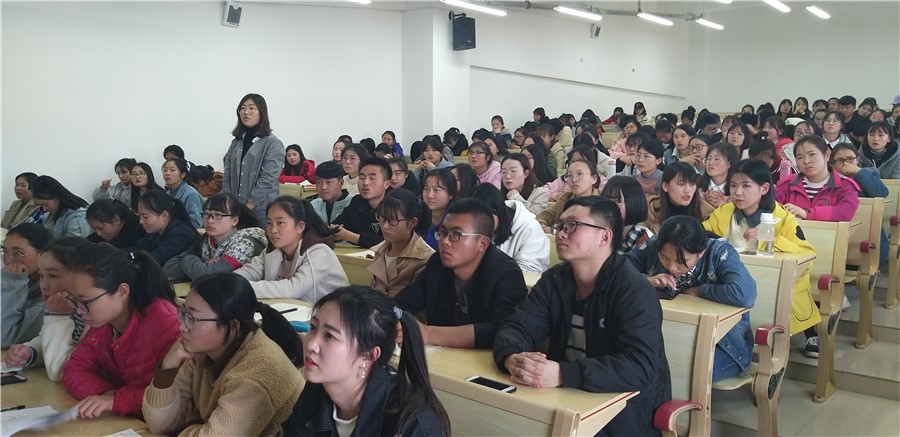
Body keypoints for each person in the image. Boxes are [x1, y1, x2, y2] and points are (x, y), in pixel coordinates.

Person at [493, 196, 670, 436]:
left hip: (624, 414)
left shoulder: (634, 290)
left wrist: (563, 373)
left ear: (604, 237)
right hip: (565, 400)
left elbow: (639, 367)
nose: (561, 233)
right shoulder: (555, 280)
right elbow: (518, 328)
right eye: (560, 226)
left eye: (572, 225)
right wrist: (511, 357)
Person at [142, 273, 303, 435]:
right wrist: (167, 369)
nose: (182, 327)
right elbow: (158, 425)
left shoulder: (256, 373)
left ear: (232, 327)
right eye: (183, 314)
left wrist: (192, 423)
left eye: (192, 318)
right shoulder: (202, 352)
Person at [282, 286, 451, 436]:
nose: (310, 344)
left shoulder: (411, 424)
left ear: (368, 357)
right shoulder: (317, 391)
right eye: (313, 327)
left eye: (329, 336)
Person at [628, 216, 756, 381]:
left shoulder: (719, 252)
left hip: (727, 345)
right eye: (664, 257)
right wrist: (646, 280)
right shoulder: (654, 245)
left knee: (676, 375)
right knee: (646, 369)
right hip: (671, 338)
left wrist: (699, 290)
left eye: (682, 261)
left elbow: (745, 294)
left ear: (701, 252)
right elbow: (616, 271)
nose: (671, 267)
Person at [703, 159, 820, 337]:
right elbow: (703, 236)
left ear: (764, 188)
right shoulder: (723, 212)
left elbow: (807, 254)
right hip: (732, 284)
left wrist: (769, 240)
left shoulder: (783, 217)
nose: (738, 192)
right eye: (733, 185)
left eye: (746, 186)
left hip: (772, 287)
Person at [62, 244, 180, 418]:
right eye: (73, 300)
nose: (78, 310)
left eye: (84, 301)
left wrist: (117, 400)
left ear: (122, 291)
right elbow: (75, 368)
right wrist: (107, 395)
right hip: (130, 420)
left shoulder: (167, 325)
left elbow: (177, 394)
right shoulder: (103, 322)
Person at [394, 199, 528, 349]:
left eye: (455, 234)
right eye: (443, 233)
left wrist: (429, 334)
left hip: (486, 359)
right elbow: (405, 302)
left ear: (482, 243)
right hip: (442, 354)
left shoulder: (507, 274)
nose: (445, 241)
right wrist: (393, 318)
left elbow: (503, 330)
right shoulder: (437, 263)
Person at [5, 237, 92, 382]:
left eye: (52, 275)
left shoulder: (95, 316)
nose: (43, 285)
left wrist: (57, 317)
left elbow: (60, 370)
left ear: (82, 276)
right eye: (41, 275)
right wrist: (31, 352)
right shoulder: (70, 305)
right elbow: (53, 341)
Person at [235, 196, 348, 302]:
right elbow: (249, 271)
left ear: (300, 227)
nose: (273, 230)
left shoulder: (320, 252)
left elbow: (293, 289)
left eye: (280, 223)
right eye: (269, 223)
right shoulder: (272, 250)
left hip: (332, 313)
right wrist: (229, 282)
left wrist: (240, 288)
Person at [164, 193, 267, 282]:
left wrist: (189, 261)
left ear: (234, 220)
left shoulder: (245, 244)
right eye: (206, 214)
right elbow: (169, 268)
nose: (210, 220)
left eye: (218, 215)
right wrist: (199, 264)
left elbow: (205, 276)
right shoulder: (208, 239)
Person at [223, 93, 285, 224]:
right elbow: (227, 174)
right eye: (242, 108)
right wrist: (229, 202)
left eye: (252, 108)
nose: (246, 112)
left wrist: (249, 206)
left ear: (262, 112)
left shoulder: (273, 143)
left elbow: (268, 179)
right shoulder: (236, 142)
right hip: (236, 208)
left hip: (261, 209)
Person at [776, 135, 861, 221]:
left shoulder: (846, 185)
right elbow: (772, 210)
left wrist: (806, 213)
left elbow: (845, 213)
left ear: (827, 154)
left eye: (812, 154)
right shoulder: (787, 184)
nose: (806, 161)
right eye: (800, 157)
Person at [367, 189, 434, 298]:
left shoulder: (425, 257)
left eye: (393, 220)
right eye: (382, 217)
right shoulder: (380, 250)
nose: (385, 226)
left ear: (412, 222)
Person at [472, 184, 550, 272]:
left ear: (497, 212)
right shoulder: (479, 229)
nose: (479, 225)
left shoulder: (530, 228)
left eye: (483, 219)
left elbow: (529, 271)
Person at [1, 223, 52, 348]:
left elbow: (3, 338)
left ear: (43, 254)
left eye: (17, 253)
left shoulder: (49, 297)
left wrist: (13, 285)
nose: (8, 260)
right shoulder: (13, 277)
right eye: (5, 252)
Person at [332, 157, 392, 248]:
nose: (365, 183)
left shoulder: (396, 206)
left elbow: (392, 242)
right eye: (362, 177)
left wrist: (350, 236)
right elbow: (338, 225)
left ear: (386, 184)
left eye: (372, 178)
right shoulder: (357, 202)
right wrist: (333, 230)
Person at [129, 190, 199, 266]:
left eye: (145, 217)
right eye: (139, 216)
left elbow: (154, 261)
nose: (141, 221)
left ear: (164, 215)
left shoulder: (181, 234)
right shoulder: (156, 232)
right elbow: (136, 248)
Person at [642, 162, 715, 234]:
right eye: (681, 184)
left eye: (692, 184)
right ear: (665, 186)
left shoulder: (708, 213)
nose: (687, 190)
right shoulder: (650, 212)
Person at [537, 160, 601, 233]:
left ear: (594, 178)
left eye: (579, 174)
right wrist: (541, 224)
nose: (574, 180)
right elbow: (547, 215)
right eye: (570, 175)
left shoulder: (604, 200)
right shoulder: (566, 197)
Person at [601, 176, 652, 255]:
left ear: (634, 204)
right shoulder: (597, 232)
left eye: (618, 201)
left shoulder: (646, 241)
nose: (610, 206)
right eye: (606, 200)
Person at [420, 169, 456, 249]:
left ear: (450, 194)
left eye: (436, 190)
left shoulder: (457, 220)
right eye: (426, 189)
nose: (429, 195)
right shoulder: (419, 215)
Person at [162, 158, 203, 228]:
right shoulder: (167, 194)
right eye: (165, 170)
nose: (167, 173)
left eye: (172, 170)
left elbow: (195, 223)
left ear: (183, 174)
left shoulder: (191, 194)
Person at [699, 142, 740, 209]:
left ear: (729, 163)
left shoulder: (738, 191)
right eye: (708, 159)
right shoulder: (697, 188)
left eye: (717, 159)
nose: (711, 163)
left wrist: (723, 205)